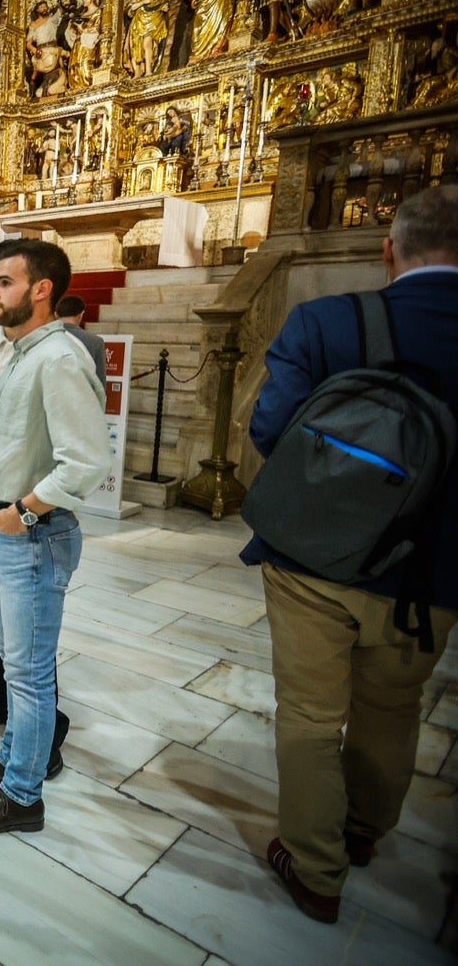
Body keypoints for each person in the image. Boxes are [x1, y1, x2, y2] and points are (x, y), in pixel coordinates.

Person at [241, 184, 458, 924]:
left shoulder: (328, 320)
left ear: (389, 247)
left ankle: (314, 869)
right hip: (432, 570)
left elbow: (270, 429)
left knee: (307, 712)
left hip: (313, 559)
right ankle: (364, 833)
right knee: (394, 711)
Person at [0, 239, 108, 835]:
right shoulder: (18, 351)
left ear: (42, 289)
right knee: (16, 667)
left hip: (34, 535)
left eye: (5, 282)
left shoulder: (58, 358)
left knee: (31, 673)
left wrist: (25, 510)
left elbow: (87, 463)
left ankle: (21, 796)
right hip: (8, 527)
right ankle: (14, 757)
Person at [125, 0, 175, 77]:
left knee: (148, 43)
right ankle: (138, 71)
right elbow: (131, 7)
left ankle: (148, 71)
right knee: (136, 45)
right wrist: (143, 2)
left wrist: (166, 4)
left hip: (156, 16)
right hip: (140, 17)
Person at [55, 295, 107, 383]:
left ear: (56, 314)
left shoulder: (43, 337)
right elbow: (99, 380)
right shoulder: (95, 342)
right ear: (81, 314)